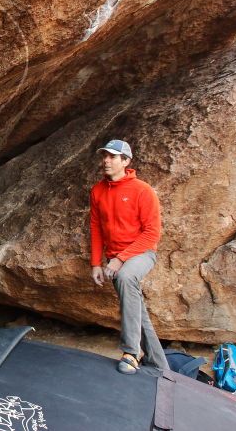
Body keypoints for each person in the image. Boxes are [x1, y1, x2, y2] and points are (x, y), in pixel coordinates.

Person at [89, 139, 169, 374]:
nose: (106, 160)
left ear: (126, 161)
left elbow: (152, 233)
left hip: (141, 252)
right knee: (137, 310)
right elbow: (96, 228)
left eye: (112, 156)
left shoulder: (142, 190)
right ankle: (159, 365)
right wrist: (96, 263)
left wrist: (120, 259)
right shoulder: (98, 190)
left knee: (125, 278)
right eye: (104, 155)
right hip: (115, 258)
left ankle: (131, 353)